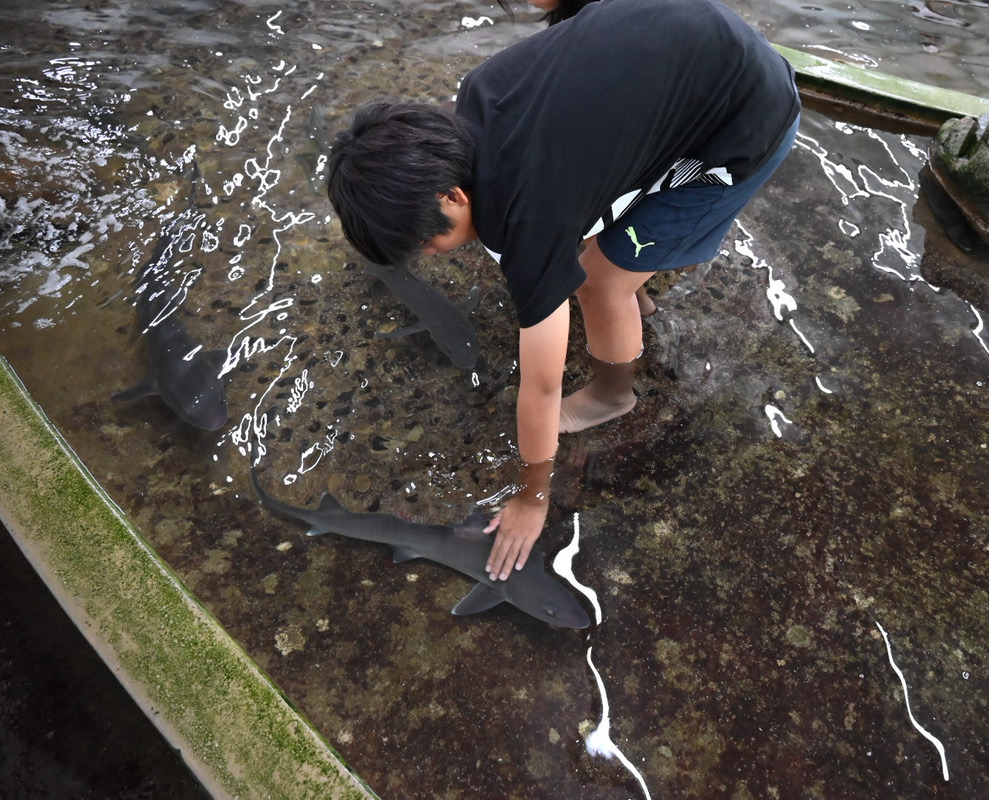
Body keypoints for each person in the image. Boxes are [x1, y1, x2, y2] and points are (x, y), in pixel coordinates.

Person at [327, 0, 801, 585]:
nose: (430, 254)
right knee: (602, 253)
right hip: (697, 47)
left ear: (452, 196)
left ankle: (612, 394)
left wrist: (531, 494)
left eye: (427, 242)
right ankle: (637, 283)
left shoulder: (530, 218)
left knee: (599, 281)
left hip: (745, 124)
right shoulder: (478, 94)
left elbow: (542, 384)